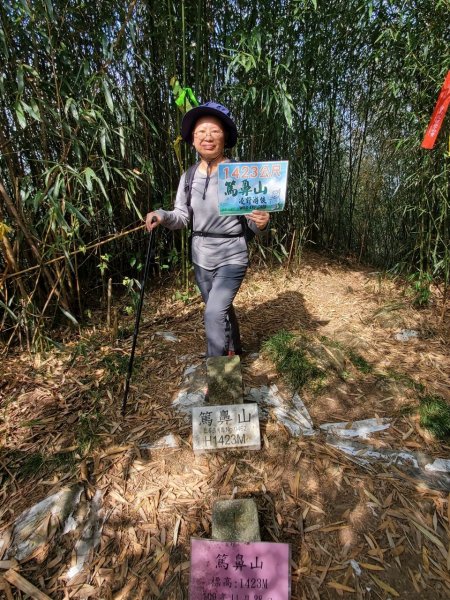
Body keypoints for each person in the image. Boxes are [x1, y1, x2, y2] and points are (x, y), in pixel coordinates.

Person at [145, 101, 270, 357]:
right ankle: (234, 351)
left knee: (213, 312)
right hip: (201, 256)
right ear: (193, 140)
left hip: (232, 254)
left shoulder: (240, 174)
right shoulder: (188, 176)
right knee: (221, 310)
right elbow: (181, 217)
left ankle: (220, 382)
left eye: (214, 131)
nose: (208, 137)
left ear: (225, 137)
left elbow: (253, 222)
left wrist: (261, 224)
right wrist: (162, 214)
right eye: (201, 132)